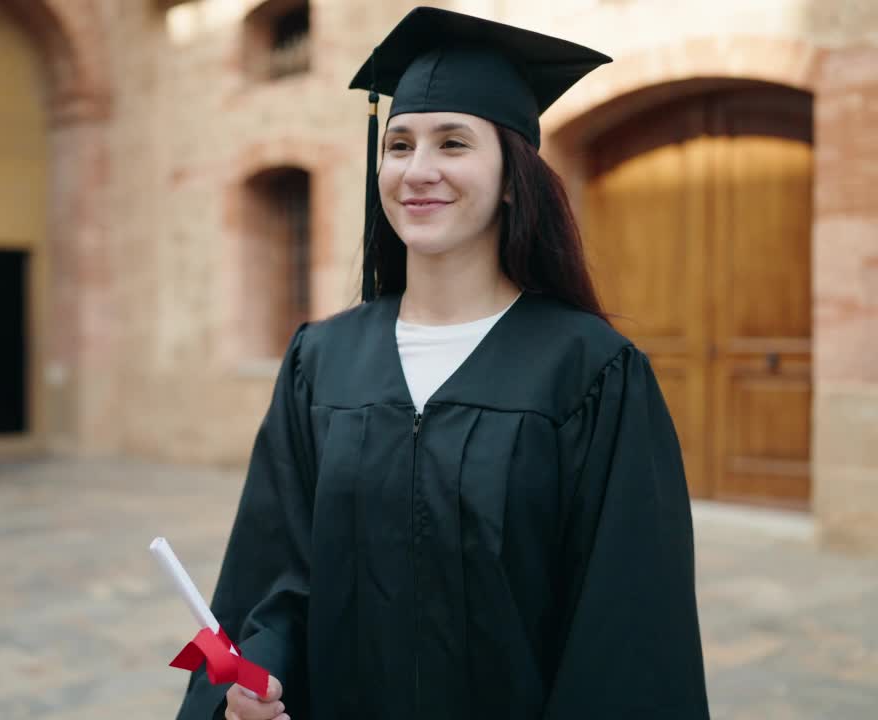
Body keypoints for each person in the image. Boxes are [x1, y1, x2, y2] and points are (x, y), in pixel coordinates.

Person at [175, 7, 709, 720]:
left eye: (453, 143)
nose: (417, 171)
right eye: (398, 145)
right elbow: (277, 575)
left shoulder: (589, 374)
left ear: (514, 178)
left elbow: (627, 627)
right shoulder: (321, 361)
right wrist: (255, 675)